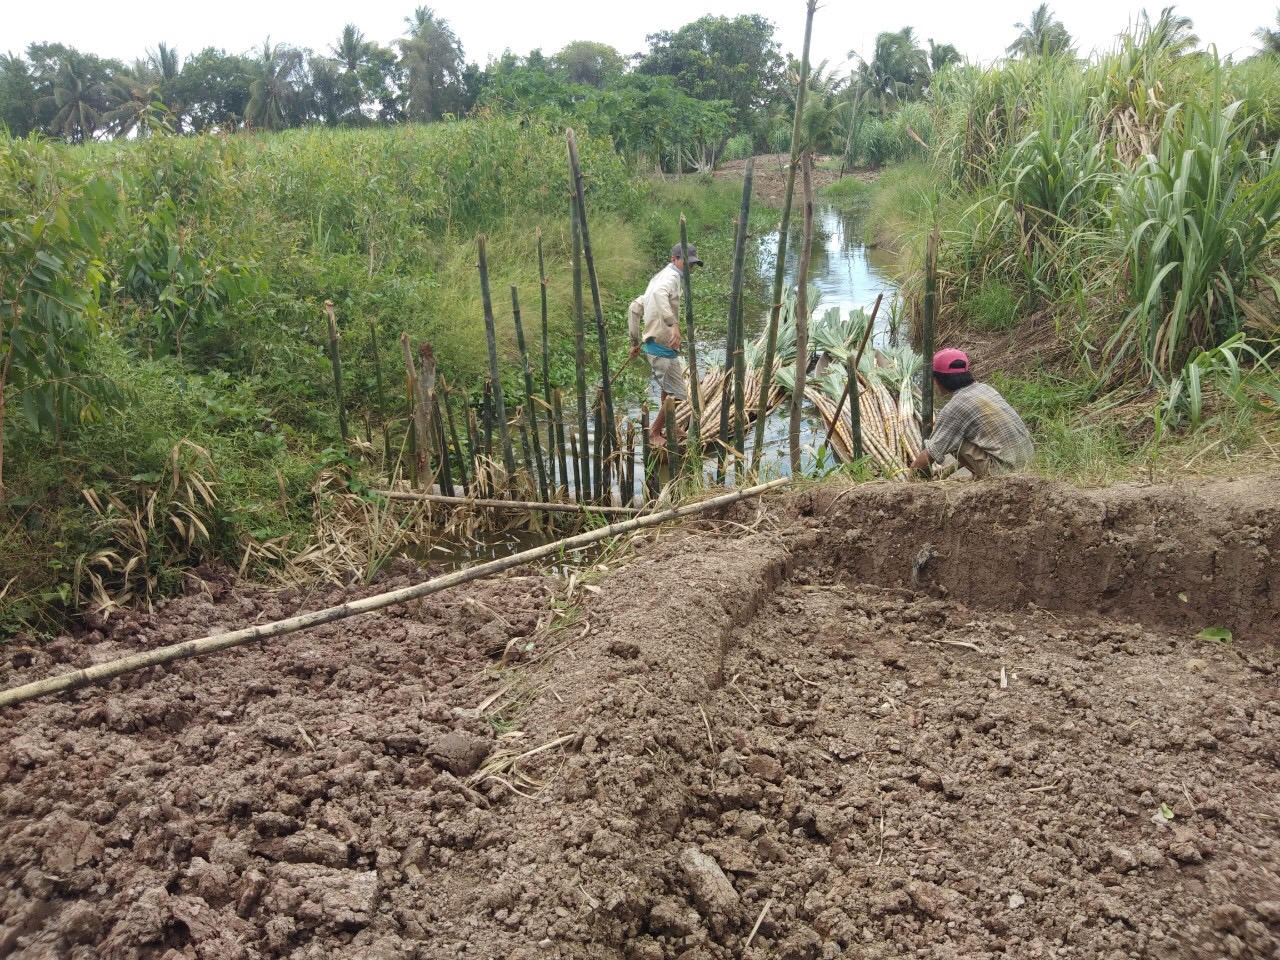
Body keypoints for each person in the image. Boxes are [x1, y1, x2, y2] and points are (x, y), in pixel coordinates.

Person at [909, 348, 1034, 478]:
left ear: (939, 379)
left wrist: (912, 477)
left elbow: (929, 455)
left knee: (950, 437)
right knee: (958, 434)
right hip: (1026, 465)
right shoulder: (985, 389)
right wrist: (948, 470)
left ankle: (984, 477)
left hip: (1004, 475)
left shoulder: (954, 408)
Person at [628, 243, 703, 446]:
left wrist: (634, 341)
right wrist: (673, 325)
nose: (690, 268)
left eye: (693, 265)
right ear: (674, 259)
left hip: (658, 346)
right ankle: (654, 432)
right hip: (661, 346)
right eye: (686, 263)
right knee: (677, 394)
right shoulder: (670, 278)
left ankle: (670, 426)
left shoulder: (659, 277)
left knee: (667, 388)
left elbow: (635, 307)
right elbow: (659, 295)